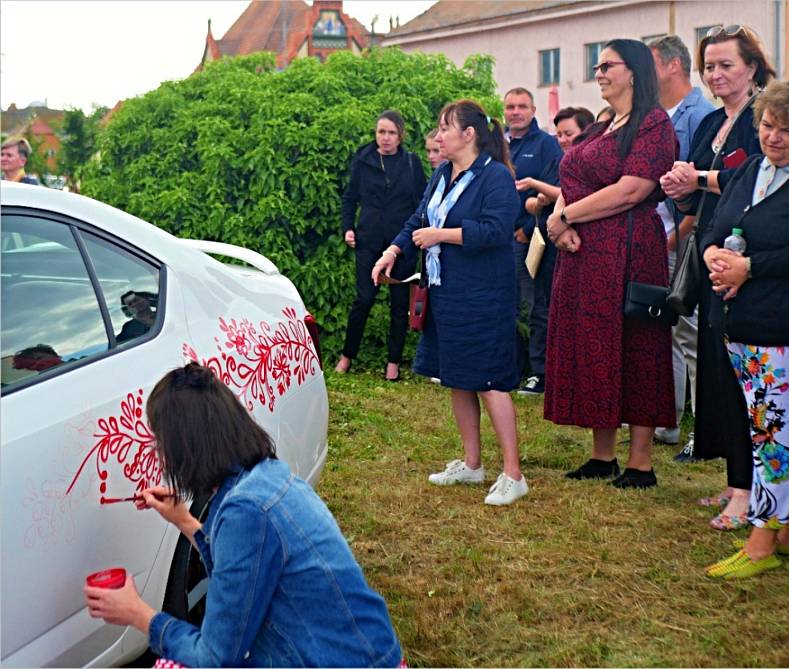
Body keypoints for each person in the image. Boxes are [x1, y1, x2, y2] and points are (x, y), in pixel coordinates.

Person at [84, 362, 403, 666]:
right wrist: (184, 520)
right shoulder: (264, 477)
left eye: (160, 443)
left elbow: (215, 658)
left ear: (186, 446)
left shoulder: (246, 511)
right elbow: (241, 572)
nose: (159, 456)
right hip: (365, 655)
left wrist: (137, 613)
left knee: (171, 665)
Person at [371, 99, 527, 506]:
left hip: (484, 295)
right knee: (456, 376)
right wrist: (392, 250)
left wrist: (444, 236)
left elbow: (496, 230)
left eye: (445, 128)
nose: (438, 136)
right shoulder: (442, 172)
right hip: (446, 290)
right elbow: (419, 219)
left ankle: (513, 473)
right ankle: (473, 465)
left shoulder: (494, 177)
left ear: (468, 135)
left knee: (490, 380)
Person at [544, 38, 677, 489]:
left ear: (634, 71)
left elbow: (632, 190)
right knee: (595, 345)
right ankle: (603, 455)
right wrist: (560, 224)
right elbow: (571, 177)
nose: (598, 73)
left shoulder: (653, 124)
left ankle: (640, 462)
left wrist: (565, 217)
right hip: (586, 255)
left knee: (637, 346)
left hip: (630, 249)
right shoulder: (602, 126)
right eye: (597, 66)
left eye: (607, 65)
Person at [660, 25, 775, 528]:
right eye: (709, 65)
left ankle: (750, 492)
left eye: (726, 64)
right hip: (708, 247)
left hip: (750, 257)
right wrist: (679, 188)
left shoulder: (764, 120)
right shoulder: (710, 123)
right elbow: (696, 188)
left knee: (744, 376)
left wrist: (697, 179)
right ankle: (734, 482)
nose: (715, 74)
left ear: (752, 66)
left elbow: (757, 176)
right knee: (717, 369)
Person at [702, 77, 789, 579]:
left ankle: (761, 541)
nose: (773, 138)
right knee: (777, 429)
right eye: (767, 125)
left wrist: (752, 267)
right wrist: (713, 255)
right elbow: (716, 226)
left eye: (788, 130)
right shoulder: (750, 170)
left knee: (774, 436)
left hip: (783, 328)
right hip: (738, 325)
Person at [648, 34, 715, 449]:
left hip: (681, 239)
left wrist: (679, 235)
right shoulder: (658, 112)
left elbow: (701, 190)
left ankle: (702, 432)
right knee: (667, 332)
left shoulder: (699, 114)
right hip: (660, 237)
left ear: (673, 65)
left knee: (690, 336)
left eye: (650, 63)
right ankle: (667, 421)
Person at [336, 110, 426, 381]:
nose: (385, 138)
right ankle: (346, 356)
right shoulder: (363, 160)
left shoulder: (411, 163)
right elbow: (350, 197)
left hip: (401, 243)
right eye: (381, 132)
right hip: (369, 239)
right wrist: (348, 227)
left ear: (401, 136)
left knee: (399, 305)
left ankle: (393, 363)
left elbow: (422, 203)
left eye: (391, 133)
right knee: (363, 299)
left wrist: (419, 236)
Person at [503, 87, 562, 395]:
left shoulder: (547, 145)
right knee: (504, 305)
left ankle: (539, 372)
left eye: (522, 106)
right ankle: (508, 369)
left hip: (530, 238)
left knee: (536, 304)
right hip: (496, 239)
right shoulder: (497, 142)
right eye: (510, 106)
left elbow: (555, 191)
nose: (516, 111)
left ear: (533, 109)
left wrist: (527, 227)